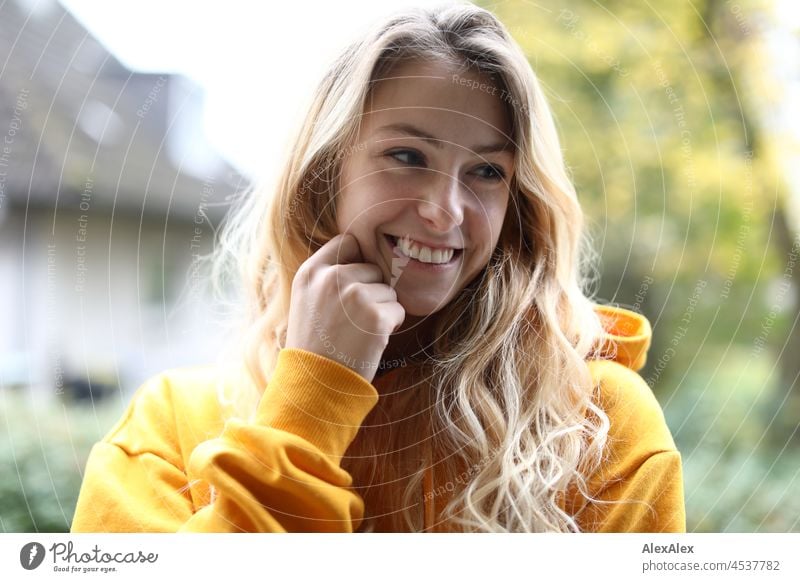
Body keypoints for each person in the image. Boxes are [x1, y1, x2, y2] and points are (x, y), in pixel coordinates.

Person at [71, 3, 684, 533]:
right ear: (325, 172)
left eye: (487, 171)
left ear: (516, 205)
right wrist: (313, 406)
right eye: (407, 155)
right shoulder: (170, 429)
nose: (443, 211)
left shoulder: (599, 431)